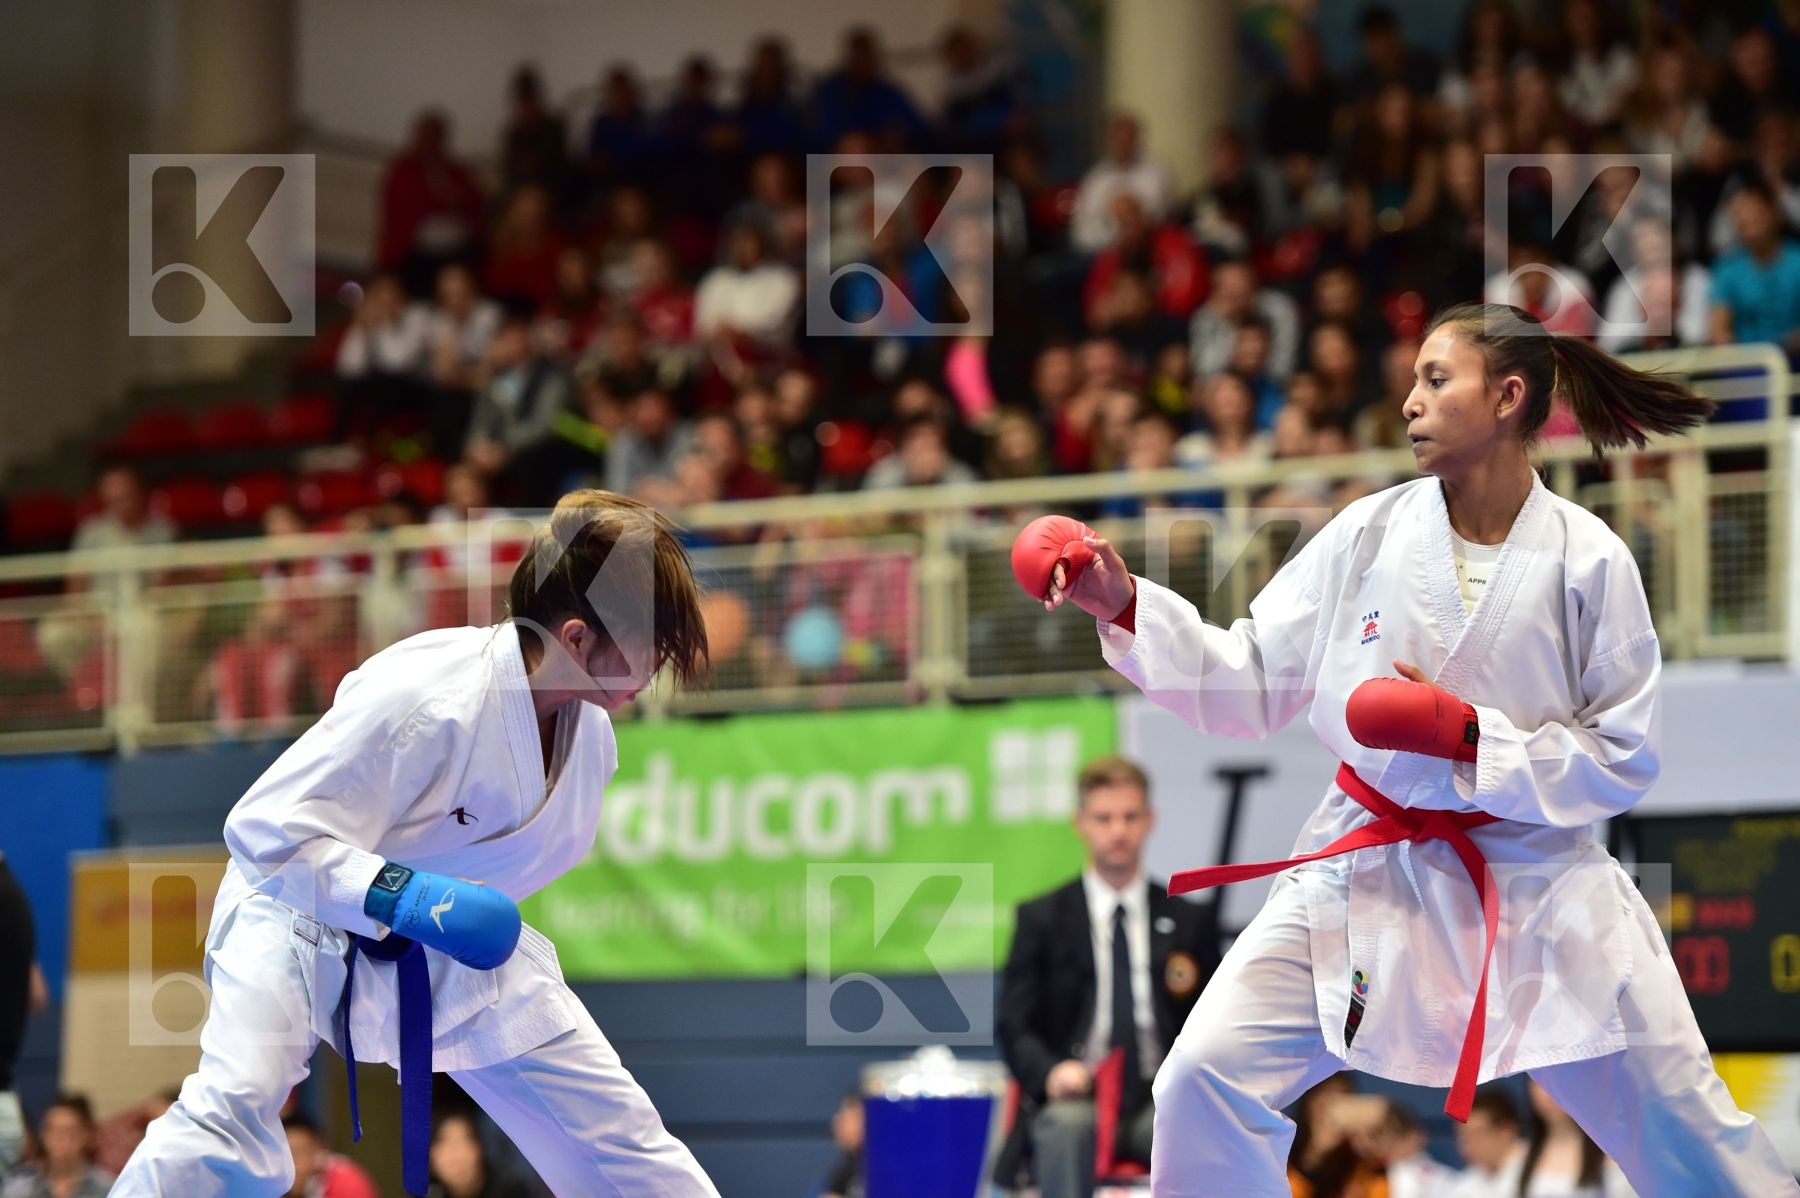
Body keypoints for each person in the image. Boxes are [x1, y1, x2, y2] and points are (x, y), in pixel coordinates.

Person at [1016, 302, 1799, 1197]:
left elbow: (1623, 756)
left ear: (1508, 397)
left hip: (1538, 879)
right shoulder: (1368, 532)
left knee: (1689, 1129)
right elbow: (1253, 679)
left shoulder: (1590, 559)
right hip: (1368, 864)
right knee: (1203, 1077)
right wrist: (1126, 608)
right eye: (1414, 382)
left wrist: (1469, 738)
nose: (1409, 404)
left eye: (1436, 379)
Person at [112, 491, 718, 1197]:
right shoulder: (426, 696)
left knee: (614, 1132)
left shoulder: (591, 749)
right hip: (295, 906)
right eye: (647, 649)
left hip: (434, 936)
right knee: (232, 1113)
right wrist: (413, 896)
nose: (657, 671)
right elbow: (265, 830)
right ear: (578, 638)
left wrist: (430, 905)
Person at [995, 756, 1223, 1198]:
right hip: (1076, 1095)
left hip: (1158, 1097)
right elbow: (1013, 1025)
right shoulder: (1042, 918)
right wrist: (1051, 1072)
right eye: (1104, 818)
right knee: (1066, 1126)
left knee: (1194, 1131)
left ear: (1149, 820)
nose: (1118, 830)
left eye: (1129, 816)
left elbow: (1217, 1021)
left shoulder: (1188, 920)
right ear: (1080, 823)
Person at [1, 1094, 112, 1198]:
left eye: (70, 1132)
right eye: (53, 1130)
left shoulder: (108, 1190)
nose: (60, 1139)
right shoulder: (20, 1187)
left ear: (88, 1136)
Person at [426, 1109, 535, 1198]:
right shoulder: (425, 1191)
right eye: (443, 1142)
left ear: (480, 1148)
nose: (456, 1155)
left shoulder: (510, 1189)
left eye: (463, 1140)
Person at [282, 1112, 378, 1198]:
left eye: (299, 1153)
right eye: (287, 1155)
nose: (293, 1164)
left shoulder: (348, 1184)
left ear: (318, 1150)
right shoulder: (271, 1183)